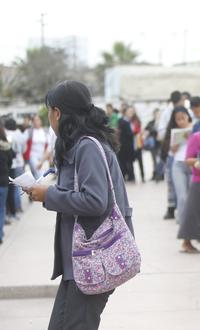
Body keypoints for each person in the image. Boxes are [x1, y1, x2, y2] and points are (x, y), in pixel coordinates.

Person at [25, 80, 133, 329]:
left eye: (49, 111)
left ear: (58, 113)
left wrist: (49, 195)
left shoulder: (87, 147)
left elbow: (95, 201)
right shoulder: (79, 145)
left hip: (93, 260)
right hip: (80, 262)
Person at [178, 112, 200, 253]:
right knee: (192, 213)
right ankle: (186, 242)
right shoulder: (196, 137)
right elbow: (188, 160)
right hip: (199, 180)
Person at [163, 107, 193, 226]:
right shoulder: (173, 132)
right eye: (178, 119)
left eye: (183, 118)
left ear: (188, 116)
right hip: (178, 165)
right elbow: (172, 152)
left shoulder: (195, 129)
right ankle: (182, 221)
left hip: (191, 165)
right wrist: (175, 145)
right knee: (182, 196)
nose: (181, 121)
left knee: (192, 196)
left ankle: (191, 220)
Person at [158, 91, 185, 220]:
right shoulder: (167, 113)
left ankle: (181, 211)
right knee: (172, 184)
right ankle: (171, 208)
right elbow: (162, 132)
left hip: (184, 158)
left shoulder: (185, 111)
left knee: (182, 189)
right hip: (172, 156)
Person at [5, 118, 26, 217]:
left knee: (12, 188)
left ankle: (13, 209)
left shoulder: (6, 134)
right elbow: (24, 148)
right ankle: (18, 206)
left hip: (11, 164)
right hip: (20, 161)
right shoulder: (20, 135)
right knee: (18, 186)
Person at [0, 124, 13, 245]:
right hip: (3, 180)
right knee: (1, 208)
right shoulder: (6, 147)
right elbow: (10, 162)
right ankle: (0, 234)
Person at [26, 114, 49, 179]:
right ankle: (37, 188)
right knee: (38, 175)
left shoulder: (45, 131)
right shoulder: (29, 131)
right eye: (35, 120)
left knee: (43, 176)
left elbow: (48, 145)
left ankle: (36, 188)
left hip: (43, 156)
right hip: (33, 155)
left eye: (38, 120)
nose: (37, 122)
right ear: (32, 122)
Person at [117, 108, 135, 182]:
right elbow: (128, 133)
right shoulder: (123, 121)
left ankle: (131, 176)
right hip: (124, 145)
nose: (131, 113)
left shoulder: (131, 121)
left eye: (132, 112)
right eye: (129, 112)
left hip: (129, 145)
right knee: (124, 162)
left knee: (129, 162)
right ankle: (125, 176)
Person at [144, 109, 162, 181]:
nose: (157, 115)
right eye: (156, 114)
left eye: (159, 114)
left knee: (160, 160)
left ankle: (160, 174)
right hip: (153, 145)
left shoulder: (162, 123)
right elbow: (146, 130)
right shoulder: (151, 123)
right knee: (154, 160)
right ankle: (155, 175)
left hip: (160, 144)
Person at [129, 107, 145, 183]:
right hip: (131, 143)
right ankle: (133, 176)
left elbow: (137, 130)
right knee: (131, 161)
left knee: (140, 161)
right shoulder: (128, 121)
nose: (130, 113)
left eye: (131, 111)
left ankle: (142, 176)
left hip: (138, 143)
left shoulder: (136, 120)